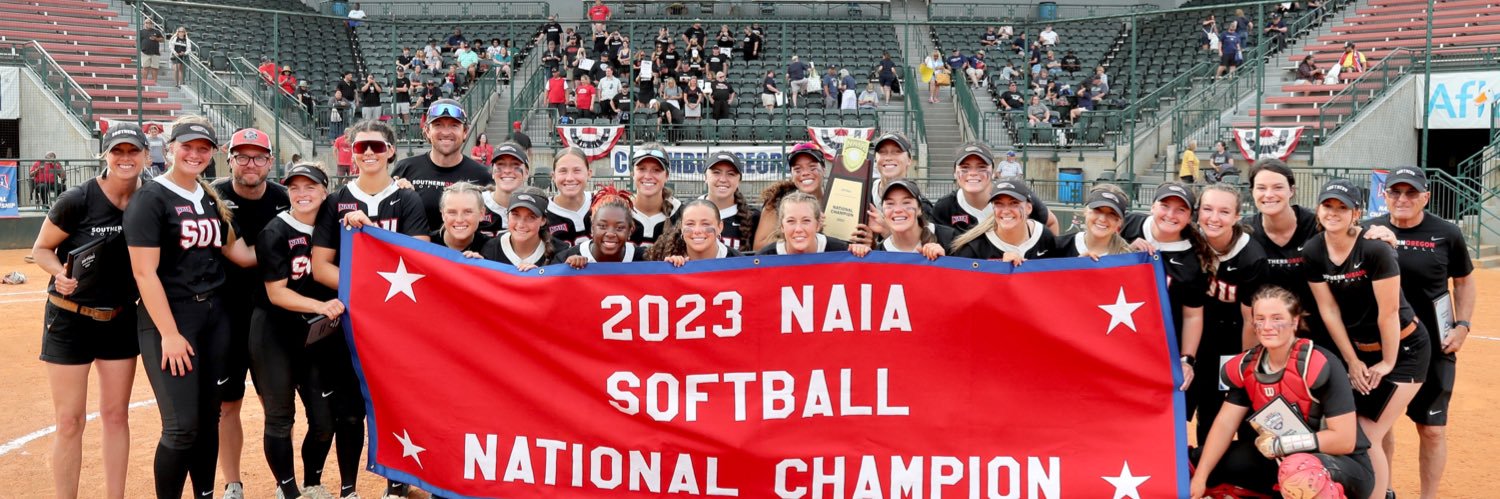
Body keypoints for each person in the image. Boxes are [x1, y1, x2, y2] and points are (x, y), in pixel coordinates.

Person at [123, 117, 256, 498]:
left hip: (214, 320)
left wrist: (304, 232)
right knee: (181, 427)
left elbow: (241, 254)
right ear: (170, 148)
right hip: (171, 319)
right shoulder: (151, 197)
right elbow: (144, 274)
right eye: (187, 146)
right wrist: (169, 335)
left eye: (203, 148)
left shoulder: (208, 196)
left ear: (213, 153)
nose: (195, 154)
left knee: (208, 419)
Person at [308, 121, 429, 499]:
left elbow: (419, 255)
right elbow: (320, 265)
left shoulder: (407, 199)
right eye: (360, 148)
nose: (369, 153)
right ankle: (349, 489)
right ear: (351, 153)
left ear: (392, 150)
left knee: (395, 402)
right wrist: (362, 291)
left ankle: (396, 485)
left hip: (398, 321)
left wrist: (369, 229)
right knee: (348, 410)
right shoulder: (336, 201)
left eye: (377, 146)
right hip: (352, 320)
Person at [30, 124, 147, 499]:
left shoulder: (151, 200)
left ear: (146, 155)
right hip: (69, 317)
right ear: (105, 155)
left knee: (116, 416)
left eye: (133, 152)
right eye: (118, 152)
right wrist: (57, 276)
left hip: (119, 318)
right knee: (69, 421)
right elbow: (43, 249)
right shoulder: (78, 199)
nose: (125, 159)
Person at [1303, 178, 1430, 499]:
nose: (1333, 213)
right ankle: (1380, 491)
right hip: (1362, 352)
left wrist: (1388, 362)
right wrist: (1352, 361)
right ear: (1318, 210)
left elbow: (1388, 313)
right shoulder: (1315, 249)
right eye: (1327, 206)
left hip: (1406, 349)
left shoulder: (1375, 249)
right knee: (1359, 430)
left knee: (1369, 432)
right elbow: (1328, 310)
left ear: (1356, 213)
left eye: (1342, 208)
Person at [1189, 286, 1376, 499]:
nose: (1267, 326)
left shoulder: (1317, 364)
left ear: (1294, 322)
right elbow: (1225, 424)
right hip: (1280, 458)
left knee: (1298, 471)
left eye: (1277, 318)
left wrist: (1282, 445)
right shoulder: (1248, 367)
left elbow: (1345, 440)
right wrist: (1201, 477)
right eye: (1260, 319)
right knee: (1194, 462)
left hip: (1343, 465)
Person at [248, 163, 359, 499]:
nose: (301, 194)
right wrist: (318, 306)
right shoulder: (276, 231)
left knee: (324, 420)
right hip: (275, 333)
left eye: (310, 187)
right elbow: (276, 293)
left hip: (316, 335)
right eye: (294, 188)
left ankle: (312, 483)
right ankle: (288, 490)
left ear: (326, 191)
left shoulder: (337, 226)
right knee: (281, 417)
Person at [1365, 168, 1475, 499]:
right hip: (1382, 347)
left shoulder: (1447, 233)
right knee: (1380, 427)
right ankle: (1385, 489)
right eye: (1395, 192)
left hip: (1437, 346)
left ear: (1425, 197)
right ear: (1384, 196)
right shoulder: (1369, 232)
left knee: (1432, 430)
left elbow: (1464, 281)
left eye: (1411, 193)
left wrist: (1463, 326)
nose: (1402, 199)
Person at [210, 128, 291, 499]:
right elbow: (240, 256)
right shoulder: (213, 196)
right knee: (228, 405)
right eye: (242, 156)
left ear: (270, 161)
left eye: (259, 157)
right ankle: (233, 483)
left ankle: (282, 481)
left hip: (272, 317)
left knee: (274, 404)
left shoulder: (285, 198)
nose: (250, 164)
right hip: (225, 313)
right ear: (229, 160)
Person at [1188, 184, 1269, 445]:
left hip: (1231, 341)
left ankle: (1238, 474)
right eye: (1208, 209)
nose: (1214, 218)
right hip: (1193, 338)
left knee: (1235, 407)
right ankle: (1202, 469)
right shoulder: (1186, 241)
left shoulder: (1250, 255)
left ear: (1237, 217)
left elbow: (1249, 319)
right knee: (1201, 408)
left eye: (1224, 211)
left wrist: (1246, 363)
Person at [1122, 183, 1213, 396]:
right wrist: (1123, 248)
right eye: (1164, 205)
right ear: (1152, 206)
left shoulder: (1192, 260)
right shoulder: (1129, 225)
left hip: (1159, 349)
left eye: (1181, 209)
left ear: (1190, 217)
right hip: (1117, 339)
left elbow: (1193, 316)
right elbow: (1094, 256)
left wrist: (1186, 360)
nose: (1171, 215)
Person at [391, 99, 493, 226]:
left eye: (454, 125)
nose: (445, 132)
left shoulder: (482, 175)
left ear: (465, 132)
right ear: (427, 131)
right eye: (438, 125)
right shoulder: (405, 169)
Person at [950, 179, 1057, 262]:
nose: (1005, 211)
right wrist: (1001, 268)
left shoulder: (1043, 235)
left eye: (1014, 203)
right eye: (999, 204)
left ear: (1029, 208)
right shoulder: (974, 248)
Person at [852, 180, 954, 259]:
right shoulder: (879, 254)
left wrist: (945, 262)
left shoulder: (949, 238)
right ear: (882, 211)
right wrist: (859, 257)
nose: (898, 210)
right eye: (890, 204)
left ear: (919, 209)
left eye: (906, 203)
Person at [752, 143, 827, 251]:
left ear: (824, 170)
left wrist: (858, 240)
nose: (805, 173)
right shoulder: (777, 200)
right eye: (798, 169)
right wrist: (794, 231)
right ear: (791, 175)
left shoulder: (838, 200)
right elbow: (759, 247)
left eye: (812, 167)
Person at [558, 187, 644, 267]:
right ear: (592, 228)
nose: (610, 234)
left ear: (630, 231)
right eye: (602, 226)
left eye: (620, 228)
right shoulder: (565, 259)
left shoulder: (643, 259)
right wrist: (564, 270)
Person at [479, 187, 559, 271]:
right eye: (515, 215)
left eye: (531, 217)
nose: (521, 224)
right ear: (507, 216)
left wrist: (538, 277)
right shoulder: (490, 249)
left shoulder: (559, 252)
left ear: (543, 220)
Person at [1053, 185, 1134, 258]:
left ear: (1119, 222)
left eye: (1112, 214)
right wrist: (1075, 267)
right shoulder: (1057, 247)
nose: (1102, 219)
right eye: (1097, 210)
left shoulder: (1128, 259)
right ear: (1085, 211)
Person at [756, 192, 849, 255]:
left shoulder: (842, 251)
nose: (798, 229)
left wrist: (860, 251)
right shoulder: (766, 257)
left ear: (817, 225)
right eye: (791, 221)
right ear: (782, 226)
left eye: (806, 221)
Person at [699, 151, 757, 252]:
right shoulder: (686, 211)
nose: (723, 179)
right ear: (705, 177)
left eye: (731, 174)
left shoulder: (753, 217)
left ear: (739, 180)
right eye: (716, 172)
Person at [627, 144, 680, 246]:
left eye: (656, 170)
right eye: (642, 169)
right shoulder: (619, 211)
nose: (648, 176)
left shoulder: (681, 214)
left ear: (667, 176)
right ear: (632, 174)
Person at [545, 147, 594, 246]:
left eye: (577, 170)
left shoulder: (600, 202)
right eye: (563, 171)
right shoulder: (543, 211)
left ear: (589, 174)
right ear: (553, 176)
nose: (570, 178)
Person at [431, 182, 490, 253]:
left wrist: (481, 262)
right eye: (452, 212)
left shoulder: (492, 250)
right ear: (443, 214)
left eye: (468, 212)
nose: (459, 219)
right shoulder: (425, 244)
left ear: (481, 214)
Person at [139, 18, 165, 84]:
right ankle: (144, 82)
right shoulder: (141, 32)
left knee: (155, 68)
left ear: (152, 24)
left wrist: (156, 38)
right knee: (145, 68)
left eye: (150, 22)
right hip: (145, 52)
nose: (148, 24)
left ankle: (154, 82)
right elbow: (138, 41)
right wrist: (140, 50)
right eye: (147, 22)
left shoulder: (156, 31)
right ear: (144, 24)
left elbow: (163, 40)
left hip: (155, 53)